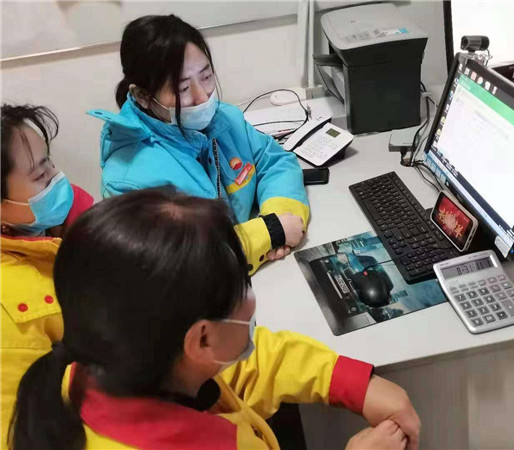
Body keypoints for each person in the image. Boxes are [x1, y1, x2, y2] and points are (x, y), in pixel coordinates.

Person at [9, 188, 420, 449]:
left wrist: (347, 380)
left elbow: (238, 369)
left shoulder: (91, 372)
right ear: (201, 338)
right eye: (242, 286)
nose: (250, 298)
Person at [88, 14, 309, 275]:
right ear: (143, 96)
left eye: (206, 77)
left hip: (263, 274)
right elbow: (176, 265)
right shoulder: (128, 180)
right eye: (182, 88)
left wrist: (280, 214)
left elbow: (275, 162)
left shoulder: (226, 119)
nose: (202, 96)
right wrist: (269, 232)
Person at [0, 104, 94, 449]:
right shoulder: (9, 311)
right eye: (41, 177)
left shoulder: (69, 224)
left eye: (50, 164)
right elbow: (16, 432)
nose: (58, 179)